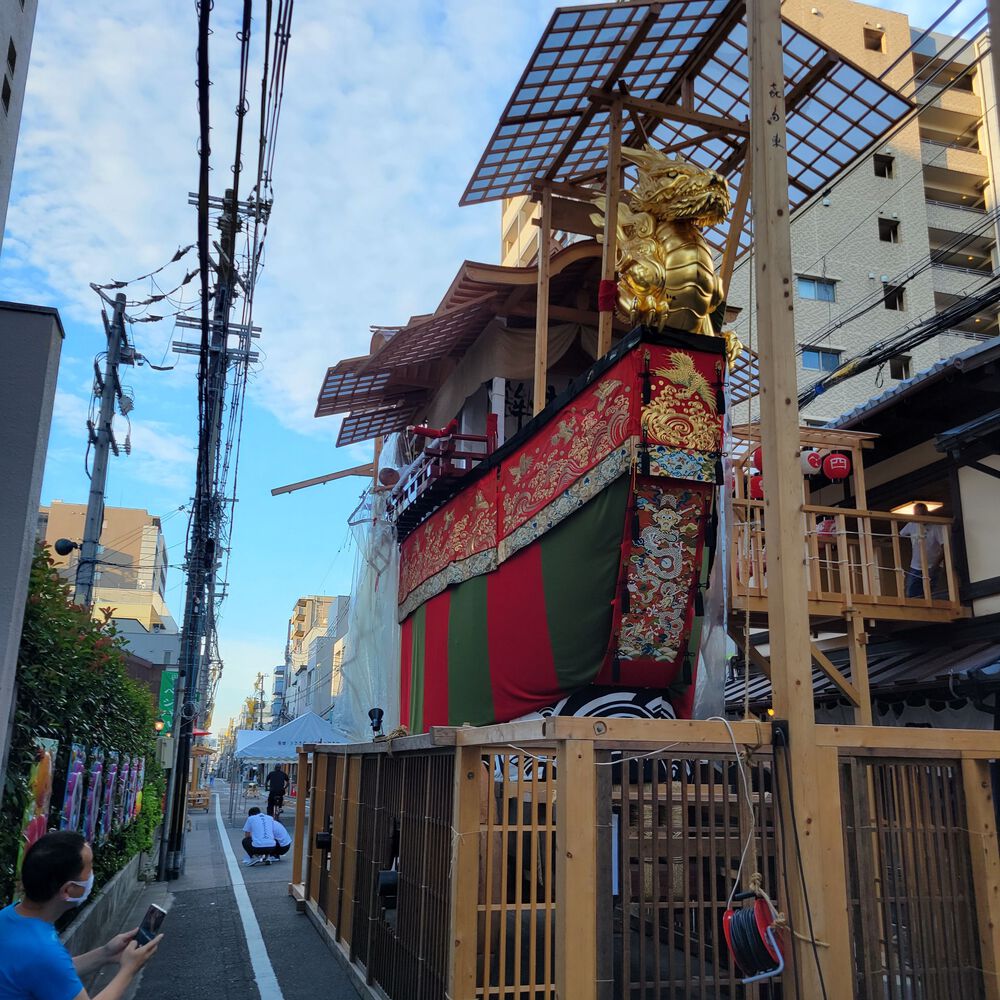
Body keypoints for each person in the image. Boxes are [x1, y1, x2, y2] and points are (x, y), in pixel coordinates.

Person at [0, 831, 162, 1000]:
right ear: (68, 890)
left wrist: (105, 953)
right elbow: (50, 965)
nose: (92, 874)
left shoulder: (10, 915)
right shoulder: (44, 952)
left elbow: (54, 972)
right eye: (90, 867)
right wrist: (129, 970)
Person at [900, 503, 946, 598]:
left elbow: (944, 547)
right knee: (911, 593)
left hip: (932, 566)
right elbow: (899, 535)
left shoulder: (936, 527)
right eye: (917, 515)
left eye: (922, 515)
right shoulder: (912, 524)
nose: (920, 518)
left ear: (927, 513)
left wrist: (935, 566)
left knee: (929, 594)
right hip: (915, 566)